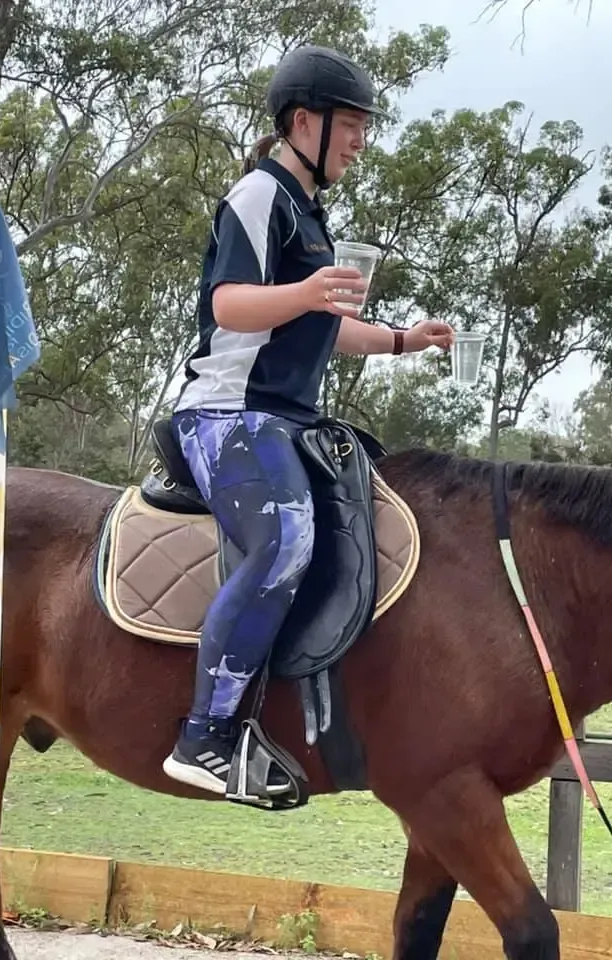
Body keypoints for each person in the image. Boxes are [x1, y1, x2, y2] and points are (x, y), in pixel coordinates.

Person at [162, 44, 454, 795]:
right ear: (304, 122)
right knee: (287, 534)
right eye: (351, 125)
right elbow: (228, 303)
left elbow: (327, 323)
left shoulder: (311, 214)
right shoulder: (258, 197)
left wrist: (400, 340)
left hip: (288, 420)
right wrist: (308, 292)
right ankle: (205, 736)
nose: (361, 141)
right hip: (227, 414)